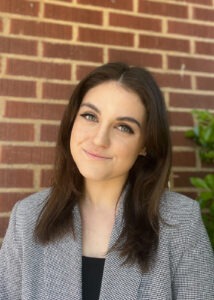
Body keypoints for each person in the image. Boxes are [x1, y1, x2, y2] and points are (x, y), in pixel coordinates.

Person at [0, 62, 213, 300]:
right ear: (72, 121)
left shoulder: (181, 221)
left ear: (145, 144)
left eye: (123, 127)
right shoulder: (27, 217)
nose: (100, 139)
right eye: (90, 116)